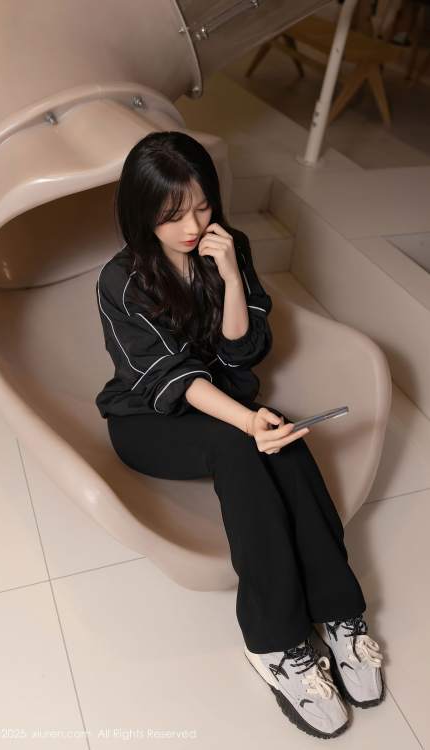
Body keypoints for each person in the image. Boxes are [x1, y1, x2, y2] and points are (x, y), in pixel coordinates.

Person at [95, 131, 385, 739]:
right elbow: (174, 379)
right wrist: (247, 421)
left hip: (220, 400)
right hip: (147, 419)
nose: (192, 226)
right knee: (243, 441)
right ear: (142, 212)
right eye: (172, 215)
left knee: (286, 438)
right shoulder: (120, 280)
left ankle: (339, 612)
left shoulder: (230, 245)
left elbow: (241, 351)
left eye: (202, 207)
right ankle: (275, 643)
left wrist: (229, 274)